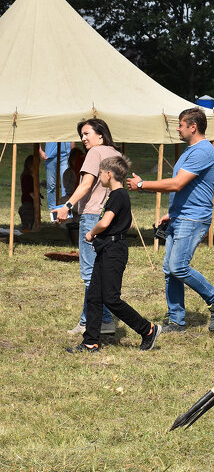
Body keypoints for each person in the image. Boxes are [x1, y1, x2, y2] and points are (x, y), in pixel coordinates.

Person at [126, 107, 214, 333]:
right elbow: (186, 188)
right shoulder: (190, 151)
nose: (177, 128)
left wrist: (142, 185)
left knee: (178, 266)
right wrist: (171, 212)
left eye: (181, 125)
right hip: (181, 216)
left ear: (193, 127)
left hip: (193, 218)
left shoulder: (202, 151)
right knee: (169, 269)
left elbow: (176, 184)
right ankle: (176, 320)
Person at [67, 156, 162, 353]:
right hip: (106, 249)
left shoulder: (118, 195)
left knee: (111, 298)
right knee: (94, 296)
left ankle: (148, 329)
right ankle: (90, 342)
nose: (99, 176)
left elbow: (104, 222)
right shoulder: (117, 195)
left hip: (114, 252)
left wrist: (91, 233)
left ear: (109, 174)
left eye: (101, 173)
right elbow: (128, 223)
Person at [56, 119, 122, 336]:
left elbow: (85, 184)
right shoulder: (116, 154)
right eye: (81, 135)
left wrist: (67, 206)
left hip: (93, 217)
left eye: (87, 134)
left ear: (100, 135)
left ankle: (102, 320)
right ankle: (88, 321)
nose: (83, 139)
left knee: (90, 274)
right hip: (111, 217)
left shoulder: (95, 154)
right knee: (99, 271)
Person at [39, 141, 74, 210]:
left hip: (65, 155)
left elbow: (71, 139)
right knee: (51, 185)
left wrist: (72, 152)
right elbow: (38, 135)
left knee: (66, 184)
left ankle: (66, 209)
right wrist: (40, 151)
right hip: (50, 156)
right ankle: (52, 210)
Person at [18, 155, 37, 231]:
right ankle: (26, 235)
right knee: (27, 223)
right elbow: (30, 191)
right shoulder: (27, 177)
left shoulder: (28, 176)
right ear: (30, 165)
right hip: (28, 203)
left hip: (27, 202)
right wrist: (36, 200)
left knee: (29, 223)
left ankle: (27, 233)